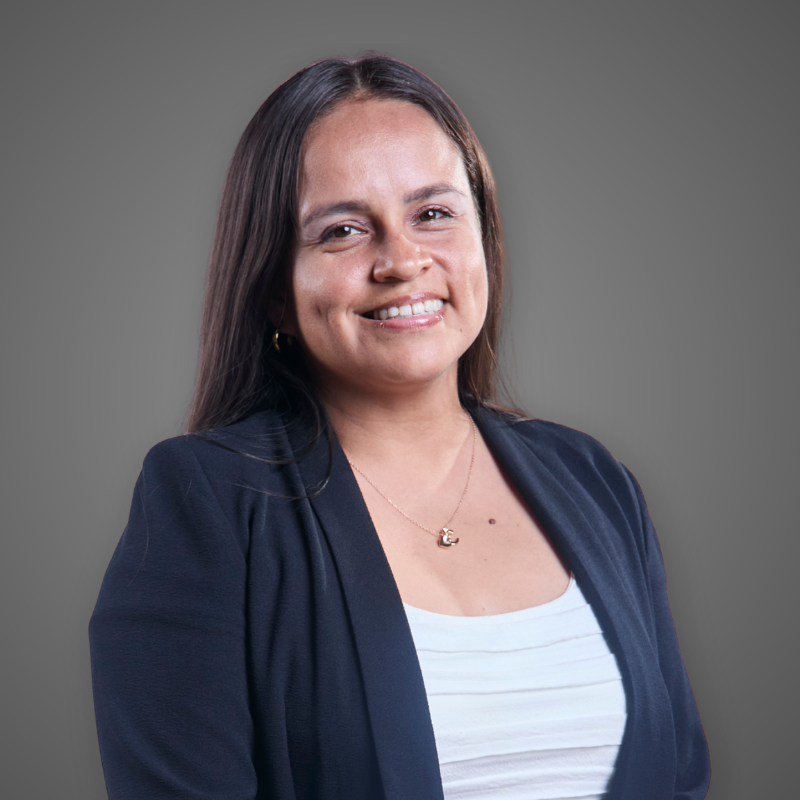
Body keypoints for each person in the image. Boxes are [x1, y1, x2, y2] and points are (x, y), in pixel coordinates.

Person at [89, 54, 710, 800]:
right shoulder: (208, 504)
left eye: (434, 213)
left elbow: (678, 777)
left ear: (483, 242)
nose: (403, 260)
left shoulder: (595, 481)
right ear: (276, 291)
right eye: (344, 230)